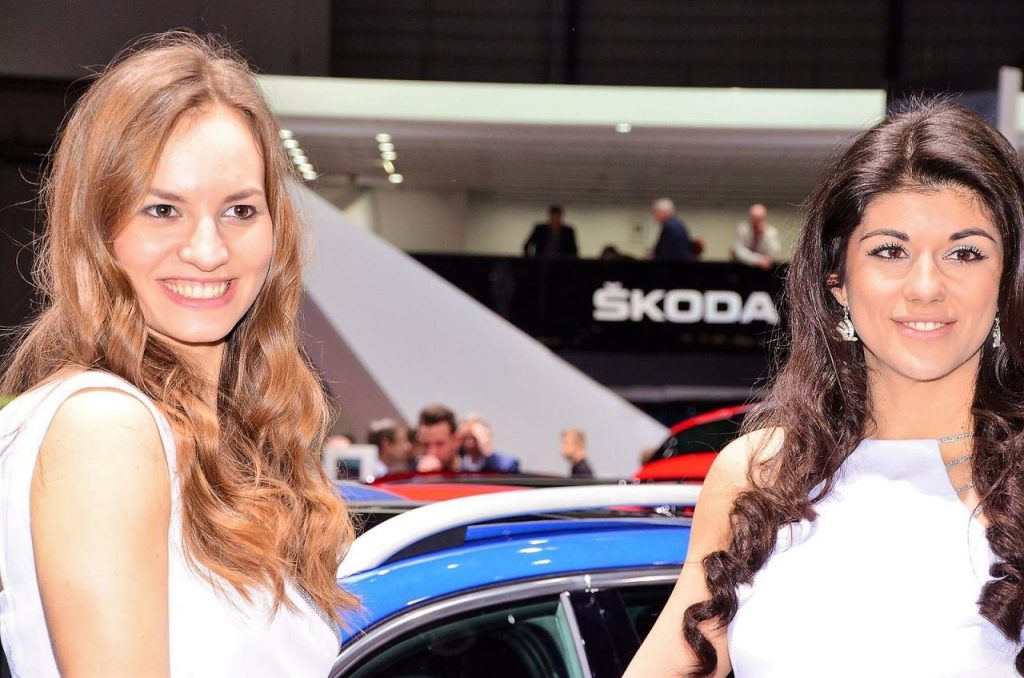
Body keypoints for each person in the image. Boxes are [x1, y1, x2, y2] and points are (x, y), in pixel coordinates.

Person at [0, 33, 355, 676]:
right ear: (97, 228)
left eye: (239, 210)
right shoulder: (104, 427)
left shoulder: (226, 440)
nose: (208, 250)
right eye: (163, 209)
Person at [627, 101, 1024, 676]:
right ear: (836, 280)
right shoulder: (758, 476)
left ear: (1007, 281)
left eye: (965, 253)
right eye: (890, 251)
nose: (925, 286)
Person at [732, 203, 782, 269]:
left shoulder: (771, 232)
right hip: (744, 267)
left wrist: (763, 234)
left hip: (765, 270)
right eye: (753, 218)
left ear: (764, 218)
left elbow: (774, 255)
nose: (756, 221)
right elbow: (739, 251)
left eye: (759, 218)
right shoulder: (742, 230)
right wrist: (757, 260)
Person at [415, 404, 462, 472]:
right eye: (426, 445)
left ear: (456, 441)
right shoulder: (412, 473)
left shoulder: (472, 474)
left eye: (439, 444)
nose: (432, 453)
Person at [650, 198, 695, 262]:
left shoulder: (668, 227)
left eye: (655, 213)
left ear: (663, 213)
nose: (654, 217)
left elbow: (664, 253)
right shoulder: (679, 224)